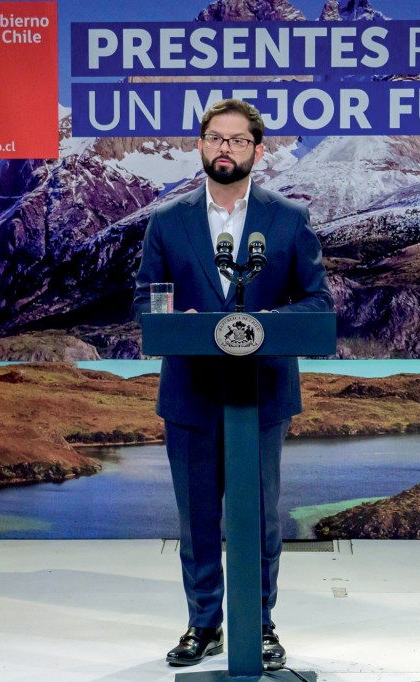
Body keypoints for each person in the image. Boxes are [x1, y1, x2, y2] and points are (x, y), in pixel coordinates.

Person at [131, 99, 334, 670]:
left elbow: (317, 301)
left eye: (238, 140)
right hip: (190, 393)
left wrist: (258, 328)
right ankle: (204, 625)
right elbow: (145, 299)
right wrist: (180, 322)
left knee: (261, 517)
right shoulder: (167, 221)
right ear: (199, 146)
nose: (225, 148)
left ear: (257, 151)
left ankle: (260, 625)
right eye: (215, 138)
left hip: (262, 392)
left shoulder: (288, 219)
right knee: (196, 520)